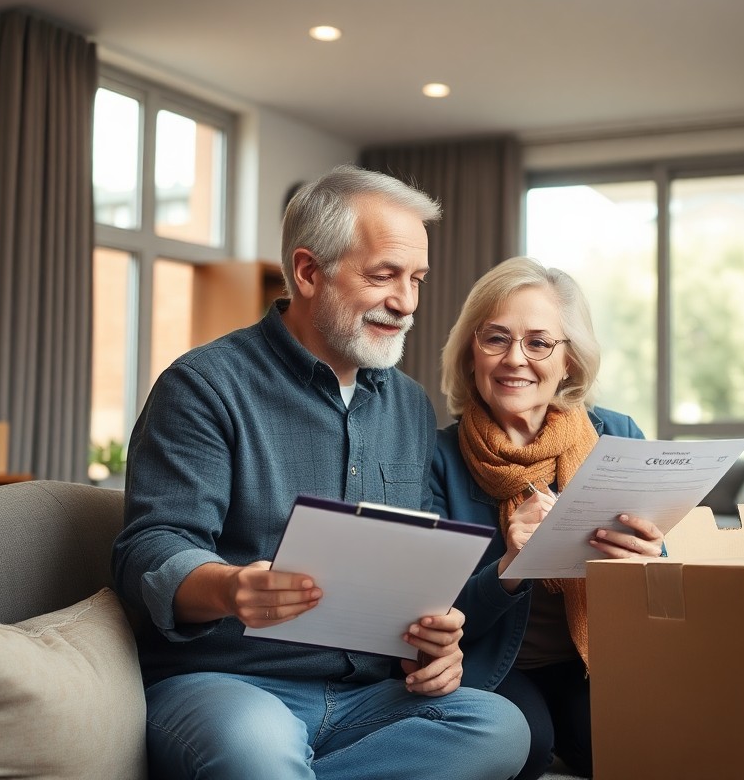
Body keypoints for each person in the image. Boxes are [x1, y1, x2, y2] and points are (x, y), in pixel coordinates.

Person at [112, 165, 530, 780]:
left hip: (366, 694)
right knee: (255, 748)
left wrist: (434, 641)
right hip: (232, 686)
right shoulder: (203, 386)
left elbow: (407, 571)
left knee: (498, 729)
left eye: (416, 279)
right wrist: (231, 588)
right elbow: (147, 550)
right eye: (384, 275)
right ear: (309, 272)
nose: (407, 302)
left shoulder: (409, 406)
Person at [430, 256, 665, 779]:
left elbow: (662, 577)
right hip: (494, 658)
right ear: (471, 354)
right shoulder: (438, 457)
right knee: (528, 749)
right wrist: (511, 565)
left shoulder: (616, 435)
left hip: (596, 656)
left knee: (627, 744)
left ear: (570, 362)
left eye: (538, 342)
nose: (516, 359)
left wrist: (652, 557)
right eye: (495, 339)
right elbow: (432, 609)